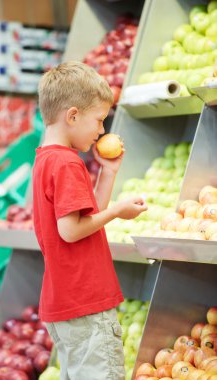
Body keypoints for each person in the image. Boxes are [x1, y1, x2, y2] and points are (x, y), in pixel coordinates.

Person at [32, 61, 147, 380]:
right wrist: (117, 212)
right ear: (72, 116)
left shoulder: (46, 158)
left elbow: (85, 215)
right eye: (99, 120)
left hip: (65, 301)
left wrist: (108, 173)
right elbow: (70, 231)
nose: (101, 131)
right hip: (85, 302)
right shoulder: (67, 163)